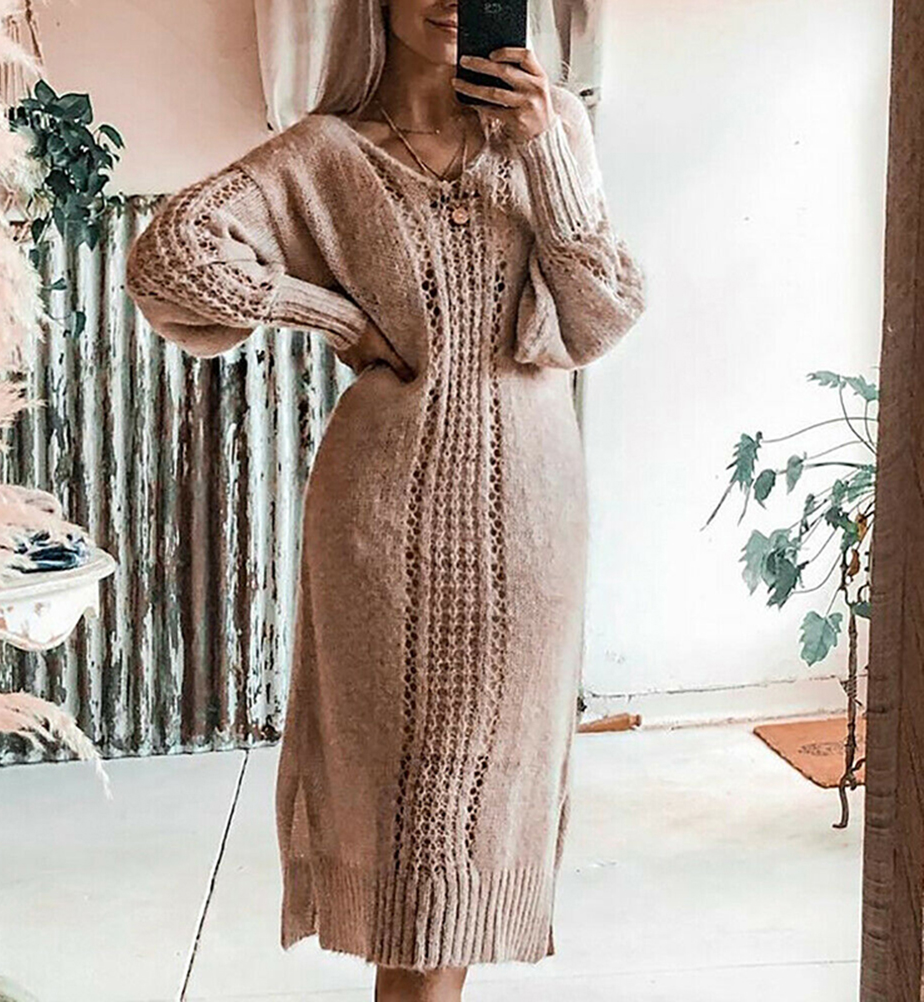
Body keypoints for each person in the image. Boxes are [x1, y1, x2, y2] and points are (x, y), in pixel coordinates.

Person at [124, 1, 646, 999]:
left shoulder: (554, 130)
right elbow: (168, 256)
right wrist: (324, 313)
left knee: (476, 826)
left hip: (531, 523)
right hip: (382, 526)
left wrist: (544, 151)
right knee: (411, 834)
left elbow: (600, 316)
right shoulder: (328, 152)